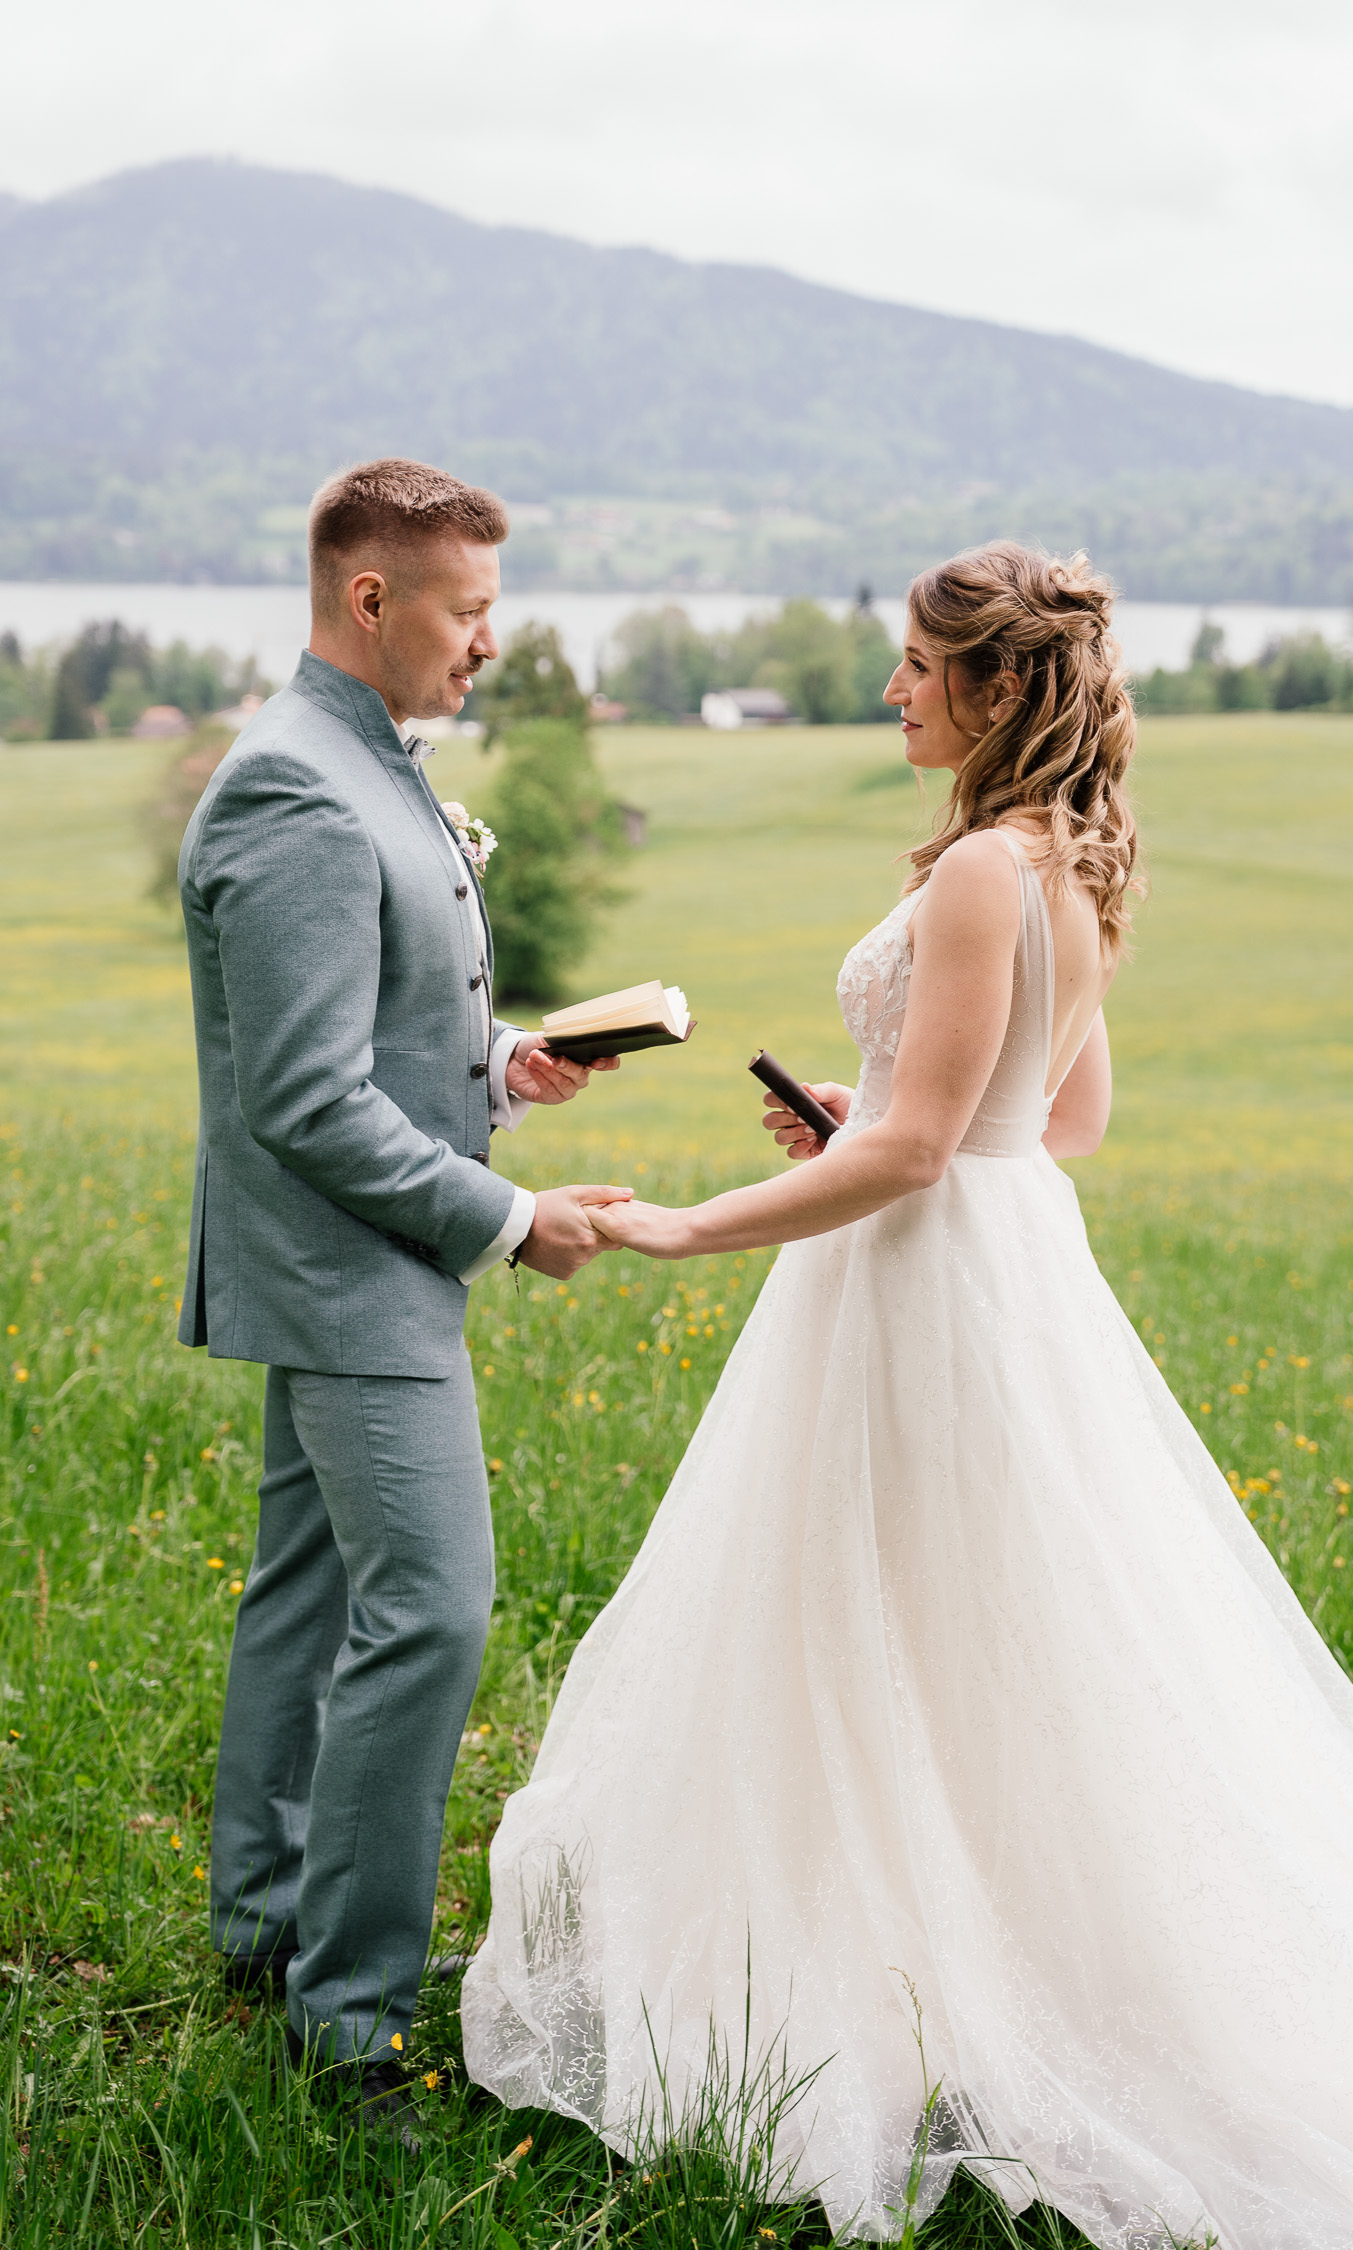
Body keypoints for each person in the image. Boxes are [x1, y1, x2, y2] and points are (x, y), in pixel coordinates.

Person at [460, 543, 1353, 2248]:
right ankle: (984, 1921)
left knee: (881, 1604)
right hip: (1011, 1270)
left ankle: (917, 1965)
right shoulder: (1066, 865)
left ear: (998, 685)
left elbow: (924, 1149)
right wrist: (860, 1111)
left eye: (916, 665)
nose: (893, 690)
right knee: (990, 1613)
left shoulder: (973, 875)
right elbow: (1058, 1119)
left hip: (922, 1276)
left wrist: (691, 1222)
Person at [176, 458, 631, 2128]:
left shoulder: (359, 756)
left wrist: (501, 1068)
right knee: (431, 1611)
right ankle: (348, 2022)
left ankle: (264, 1926)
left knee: (306, 1597)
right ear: (371, 598)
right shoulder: (297, 789)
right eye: (470, 609)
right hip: (349, 1273)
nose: (490, 641)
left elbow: (365, 1026)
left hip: (352, 1262)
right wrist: (509, 1218)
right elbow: (304, 1100)